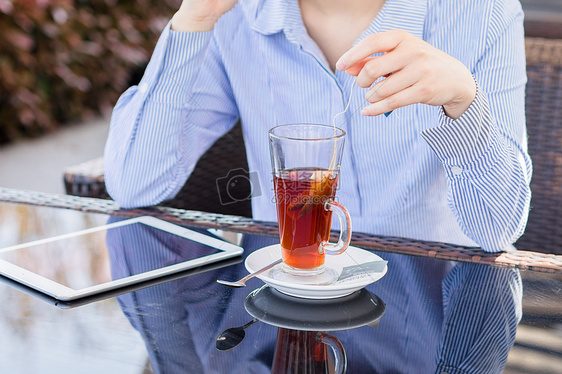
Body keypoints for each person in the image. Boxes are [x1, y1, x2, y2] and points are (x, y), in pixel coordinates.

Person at [103, 0, 530, 372]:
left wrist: (463, 101)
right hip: (279, 306)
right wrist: (194, 18)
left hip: (430, 319)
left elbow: (497, 228)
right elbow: (135, 184)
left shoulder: (481, 11)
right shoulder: (236, 15)